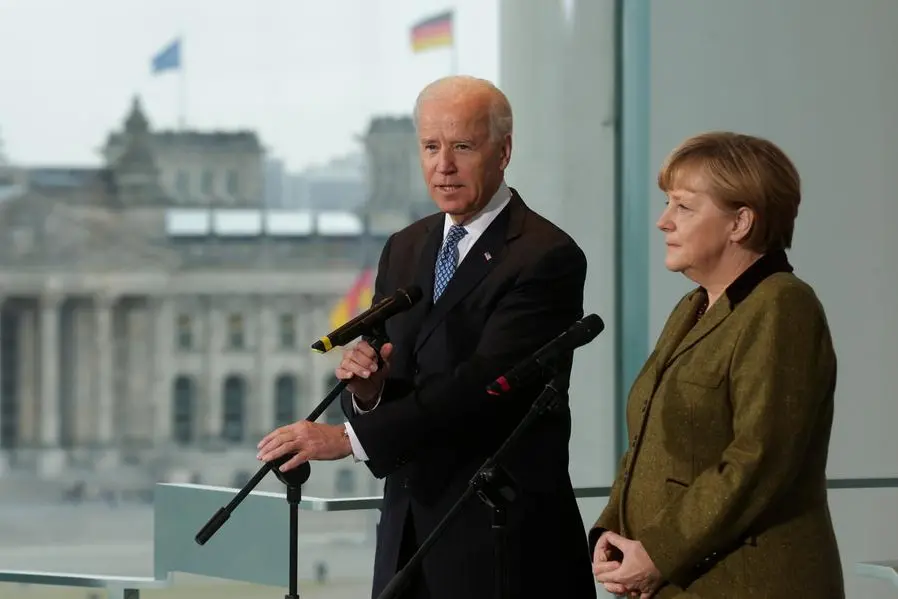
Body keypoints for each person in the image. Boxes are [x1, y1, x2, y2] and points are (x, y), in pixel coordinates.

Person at [256, 75, 597, 599]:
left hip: (500, 545)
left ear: (503, 152)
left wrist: (349, 439)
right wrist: (367, 392)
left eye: (463, 146)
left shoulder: (545, 255)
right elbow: (401, 374)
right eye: (431, 147)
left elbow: (483, 384)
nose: (444, 165)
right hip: (406, 540)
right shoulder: (406, 246)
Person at [590, 131, 844, 598]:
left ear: (740, 222)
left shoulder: (783, 305)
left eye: (683, 207)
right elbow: (650, 441)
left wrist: (659, 552)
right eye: (667, 204)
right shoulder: (693, 306)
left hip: (749, 582)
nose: (664, 222)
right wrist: (612, 531)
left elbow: (758, 459)